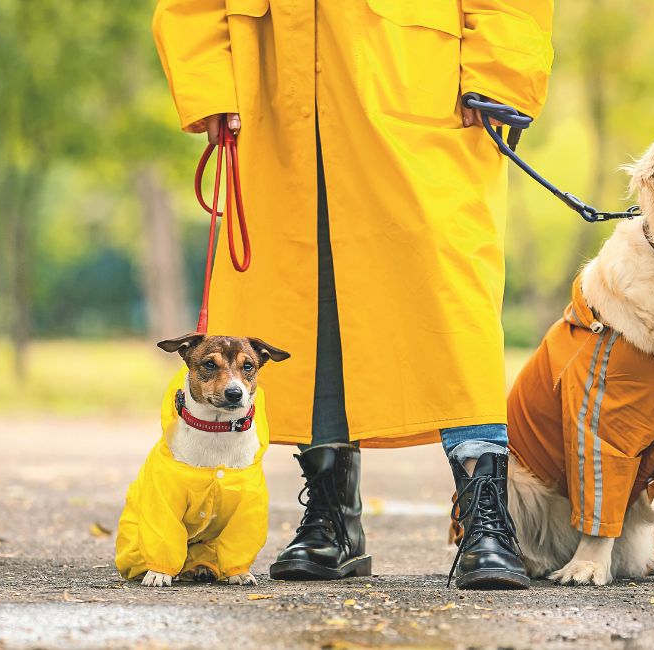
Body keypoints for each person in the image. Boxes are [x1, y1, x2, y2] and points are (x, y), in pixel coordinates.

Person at [152, 0, 553, 589]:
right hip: (276, 106)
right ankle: (332, 519)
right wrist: (208, 84)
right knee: (307, 307)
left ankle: (487, 522)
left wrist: (499, 75)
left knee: (451, 306)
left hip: (418, 97)